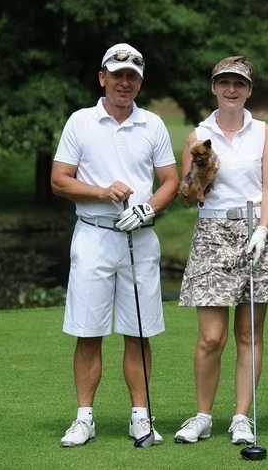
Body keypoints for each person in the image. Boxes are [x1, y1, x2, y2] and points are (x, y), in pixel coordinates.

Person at [51, 43, 179, 447]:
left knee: (138, 332)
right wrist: (102, 192)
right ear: (102, 77)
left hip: (139, 237)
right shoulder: (80, 122)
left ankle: (140, 418)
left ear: (140, 82)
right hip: (93, 236)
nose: (125, 82)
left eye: (132, 76)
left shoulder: (153, 124)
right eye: (118, 75)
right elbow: (59, 180)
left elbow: (171, 181)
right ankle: (84, 419)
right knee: (88, 332)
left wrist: (147, 208)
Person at [175, 56, 268, 446]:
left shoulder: (264, 132)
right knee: (211, 336)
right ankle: (203, 416)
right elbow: (186, 196)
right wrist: (201, 173)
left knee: (248, 332)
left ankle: (240, 418)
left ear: (249, 89)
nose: (231, 89)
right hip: (212, 233)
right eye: (224, 82)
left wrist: (263, 228)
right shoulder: (198, 135)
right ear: (214, 87)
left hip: (255, 230)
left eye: (239, 83)